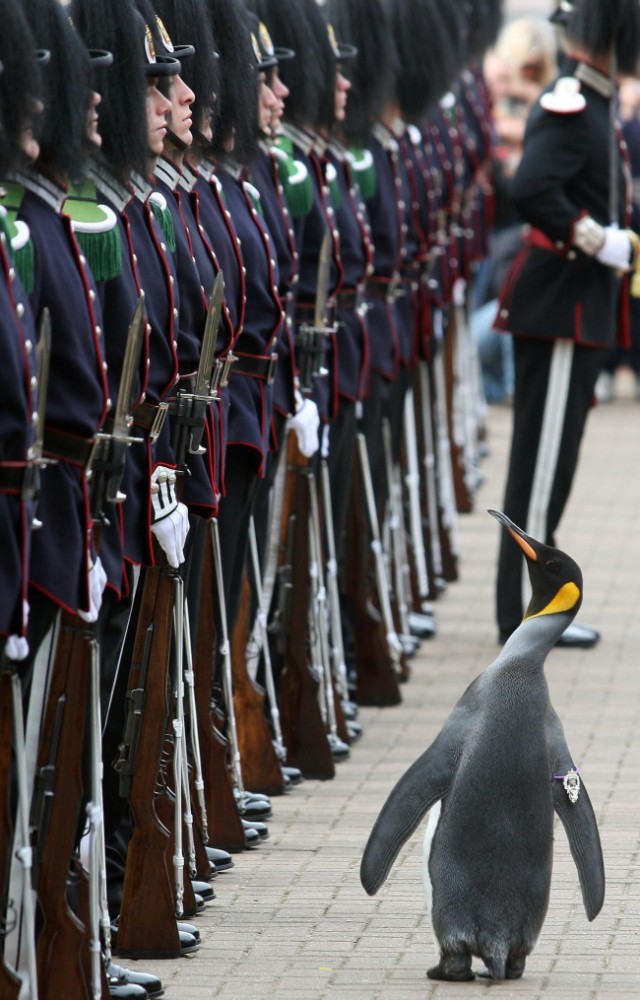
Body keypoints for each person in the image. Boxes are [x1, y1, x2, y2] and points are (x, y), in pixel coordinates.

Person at [494, 0, 640, 647]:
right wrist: (594, 240)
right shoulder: (571, 98)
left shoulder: (597, 100)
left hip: (576, 310)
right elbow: (529, 188)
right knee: (541, 464)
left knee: (556, 464)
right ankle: (524, 613)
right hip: (560, 308)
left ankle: (535, 605)